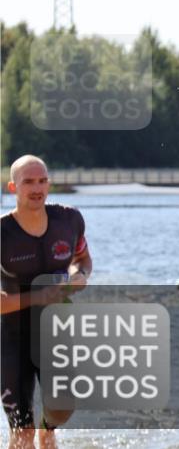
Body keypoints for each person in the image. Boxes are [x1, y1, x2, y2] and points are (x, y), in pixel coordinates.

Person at [1, 155, 92, 449]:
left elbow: (82, 259)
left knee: (62, 410)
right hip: (11, 338)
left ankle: (47, 430)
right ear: (13, 187)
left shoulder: (69, 220)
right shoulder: (3, 233)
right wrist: (38, 296)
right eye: (28, 182)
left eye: (42, 181)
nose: (37, 188)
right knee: (22, 432)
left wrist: (79, 275)